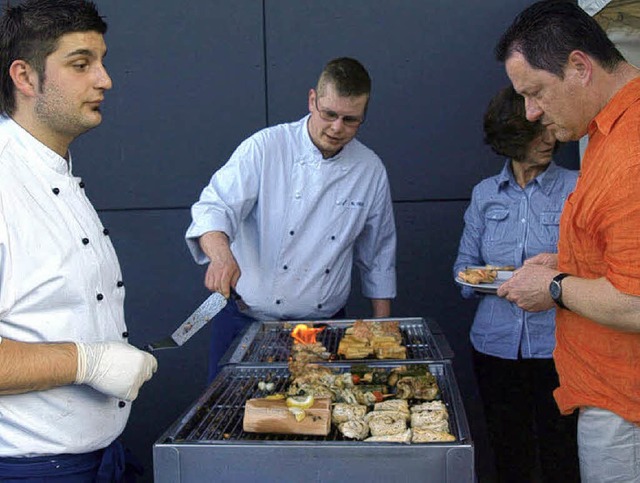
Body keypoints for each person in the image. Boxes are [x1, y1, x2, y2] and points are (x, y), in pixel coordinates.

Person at [0, 1, 158, 481]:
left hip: (105, 456)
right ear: (25, 78)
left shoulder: (56, 170)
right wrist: (88, 361)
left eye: (102, 61)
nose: (105, 79)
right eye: (81, 63)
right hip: (34, 470)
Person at [495, 1, 640, 481]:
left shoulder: (632, 149)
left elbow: (636, 302)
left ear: (580, 67)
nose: (532, 112)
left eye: (535, 92)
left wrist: (554, 285)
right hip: (610, 394)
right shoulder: (606, 128)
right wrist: (570, 259)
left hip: (627, 408)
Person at [186, 57, 397, 382]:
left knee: (316, 420)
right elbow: (215, 207)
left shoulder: (370, 169)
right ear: (312, 99)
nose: (337, 128)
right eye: (329, 114)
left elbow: (378, 256)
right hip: (245, 319)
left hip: (322, 327)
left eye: (351, 120)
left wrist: (382, 330)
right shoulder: (266, 148)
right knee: (227, 418)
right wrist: (221, 256)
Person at [453, 85, 579, 483]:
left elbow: (595, 264)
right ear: (510, 136)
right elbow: (464, 268)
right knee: (509, 454)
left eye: (548, 128)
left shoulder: (578, 187)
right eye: (534, 131)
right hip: (494, 347)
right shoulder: (485, 194)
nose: (548, 139)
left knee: (563, 454)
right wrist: (480, 280)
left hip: (558, 349)